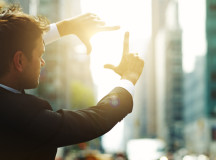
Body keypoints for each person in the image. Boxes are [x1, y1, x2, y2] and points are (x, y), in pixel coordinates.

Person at [0, 4, 144, 160]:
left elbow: (15, 45)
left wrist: (66, 27)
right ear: (19, 61)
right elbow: (95, 120)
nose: (42, 62)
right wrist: (129, 78)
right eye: (41, 54)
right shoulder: (23, 117)